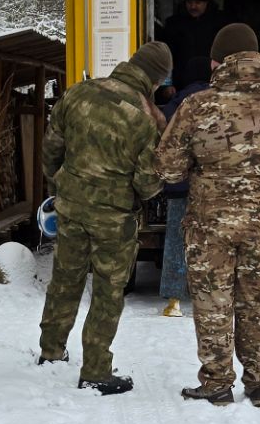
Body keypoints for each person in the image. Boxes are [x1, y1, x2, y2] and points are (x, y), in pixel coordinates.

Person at [155, 23, 260, 409]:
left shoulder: (196, 106)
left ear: (217, 61)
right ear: (256, 57)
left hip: (210, 224)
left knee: (213, 301)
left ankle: (216, 383)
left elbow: (168, 168)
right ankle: (259, 383)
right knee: (256, 300)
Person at [38, 40, 172, 395]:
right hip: (113, 220)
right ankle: (96, 369)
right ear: (156, 81)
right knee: (107, 291)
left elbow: (51, 147)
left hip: (71, 206)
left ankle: (50, 351)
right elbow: (145, 184)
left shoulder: (79, 92)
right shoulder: (146, 118)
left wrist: (61, 185)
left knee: (65, 277)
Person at [157, 55, 212, 317]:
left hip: (182, 183)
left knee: (177, 237)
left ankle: (174, 300)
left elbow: (164, 124)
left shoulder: (183, 99)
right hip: (216, 186)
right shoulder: (225, 97)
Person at [158, 0, 227, 72]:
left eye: (197, 2)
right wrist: (167, 84)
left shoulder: (221, 23)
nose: (193, 6)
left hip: (213, 81)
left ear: (206, 2)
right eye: (189, 2)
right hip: (181, 84)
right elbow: (165, 56)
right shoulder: (173, 24)